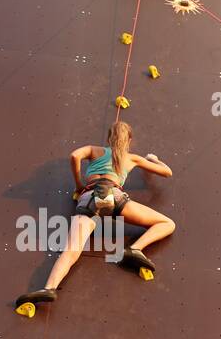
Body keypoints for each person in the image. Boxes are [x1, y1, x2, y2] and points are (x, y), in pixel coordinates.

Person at [16, 121, 174, 305]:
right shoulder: (132, 158)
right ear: (129, 140)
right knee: (166, 224)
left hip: (90, 198)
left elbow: (75, 155)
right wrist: (153, 159)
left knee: (71, 250)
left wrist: (79, 185)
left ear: (108, 138)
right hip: (115, 197)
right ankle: (135, 249)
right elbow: (167, 172)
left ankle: (49, 288)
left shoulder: (94, 150)